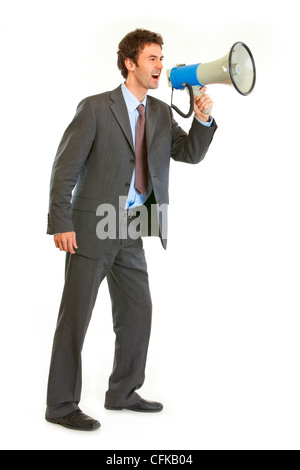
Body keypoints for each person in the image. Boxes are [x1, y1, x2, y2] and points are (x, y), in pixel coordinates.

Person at [46, 28, 217, 431]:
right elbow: (64, 169)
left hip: (134, 226)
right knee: (76, 317)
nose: (160, 65)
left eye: (162, 57)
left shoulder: (159, 112)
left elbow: (189, 153)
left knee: (138, 312)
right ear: (130, 63)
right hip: (90, 226)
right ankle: (60, 405)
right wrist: (61, 222)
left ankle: (122, 391)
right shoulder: (94, 108)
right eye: (152, 58)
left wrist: (204, 119)